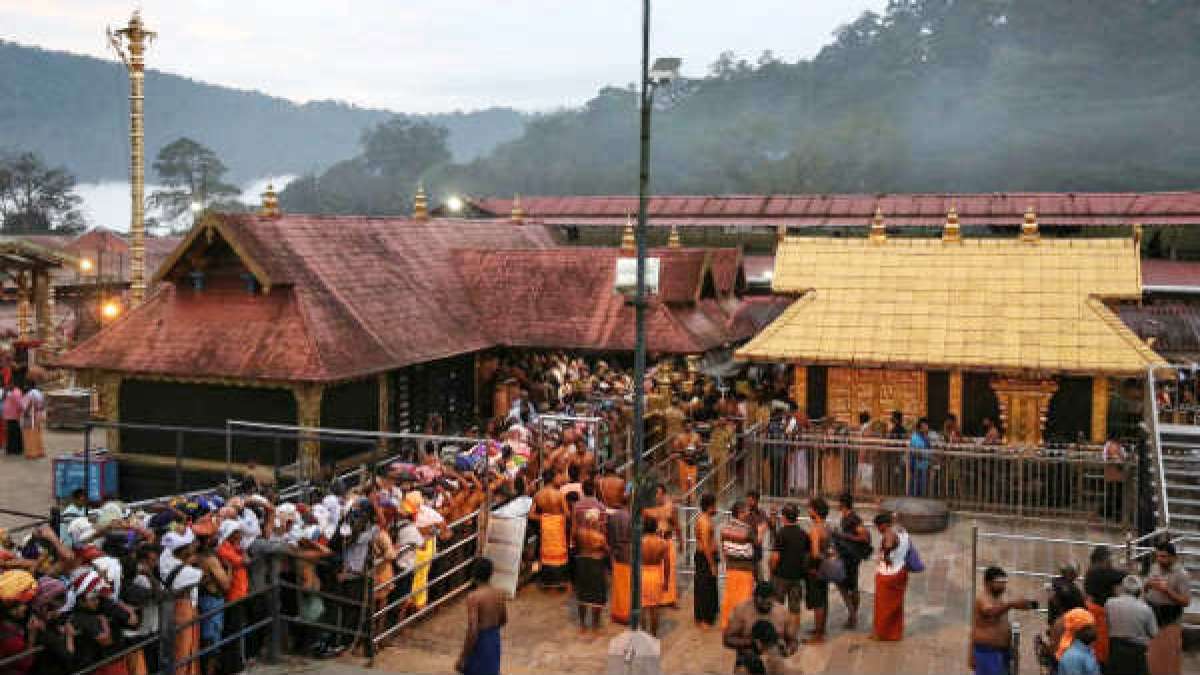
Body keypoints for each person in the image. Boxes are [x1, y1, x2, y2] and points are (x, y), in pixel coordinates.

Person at [972, 566, 1037, 675]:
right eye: (1000, 582)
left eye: (1004, 582)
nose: (1003, 586)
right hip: (988, 653)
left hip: (1001, 652)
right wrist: (1011, 604)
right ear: (988, 583)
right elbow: (990, 612)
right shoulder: (983, 598)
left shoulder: (997, 598)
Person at [723, 582, 797, 675]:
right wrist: (750, 642)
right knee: (741, 672)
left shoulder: (782, 612)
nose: (766, 602)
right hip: (749, 658)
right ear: (754, 597)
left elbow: (793, 640)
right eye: (762, 598)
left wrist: (788, 650)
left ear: (774, 598)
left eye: (769, 599)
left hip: (775, 658)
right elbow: (727, 639)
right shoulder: (741, 610)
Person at [1144, 541, 1190, 675]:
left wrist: (1167, 590)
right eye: (1158, 556)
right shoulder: (1154, 567)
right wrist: (1147, 585)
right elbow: (1145, 588)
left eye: (1163, 556)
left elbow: (1185, 601)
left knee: (1169, 658)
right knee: (1153, 657)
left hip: (1170, 619)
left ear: (1173, 557)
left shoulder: (1182, 575)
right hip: (1152, 615)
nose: (1159, 560)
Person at [455, 558, 506, 675]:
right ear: (491, 573)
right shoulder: (500, 594)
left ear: (474, 574)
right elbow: (503, 620)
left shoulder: (473, 597)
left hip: (479, 641)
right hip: (494, 639)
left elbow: (473, 630)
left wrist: (463, 656)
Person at [769, 503, 808, 642]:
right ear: (797, 517)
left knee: (777, 606)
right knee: (795, 608)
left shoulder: (781, 534)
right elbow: (806, 556)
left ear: (784, 517)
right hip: (797, 577)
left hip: (781, 576)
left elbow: (775, 557)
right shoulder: (803, 534)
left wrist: (771, 571)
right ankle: (792, 637)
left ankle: (777, 635)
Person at [831, 492, 871, 629]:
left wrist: (845, 536)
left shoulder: (853, 519)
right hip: (846, 556)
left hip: (851, 558)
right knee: (849, 585)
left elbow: (865, 537)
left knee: (847, 585)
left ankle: (853, 616)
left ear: (843, 504)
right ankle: (852, 615)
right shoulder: (846, 518)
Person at [1082, 545, 1124, 668]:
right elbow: (1122, 575)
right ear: (1103, 559)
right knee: (1101, 646)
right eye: (1109, 558)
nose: (1111, 560)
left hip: (1097, 610)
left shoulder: (1093, 570)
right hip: (1099, 613)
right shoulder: (1099, 571)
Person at [1105, 575, 1157, 675]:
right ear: (1139, 591)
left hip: (1115, 650)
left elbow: (1108, 623)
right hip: (1137, 653)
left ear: (1123, 588)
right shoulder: (1146, 609)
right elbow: (1153, 633)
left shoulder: (1109, 603)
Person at [871, 512, 910, 641]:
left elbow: (888, 545)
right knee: (896, 606)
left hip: (888, 575)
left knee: (883, 607)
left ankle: (881, 633)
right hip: (901, 571)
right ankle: (894, 633)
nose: (878, 530)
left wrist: (883, 555)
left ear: (884, 525)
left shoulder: (889, 534)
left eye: (879, 527)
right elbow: (895, 518)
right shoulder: (902, 530)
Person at [720, 501, 758, 630]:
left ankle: (727, 623)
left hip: (731, 568)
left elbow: (724, 548)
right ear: (740, 514)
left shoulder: (724, 528)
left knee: (730, 597)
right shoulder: (748, 530)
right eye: (746, 511)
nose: (748, 513)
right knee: (745, 599)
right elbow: (756, 543)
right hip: (745, 569)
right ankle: (742, 626)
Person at [530, 470, 570, 590]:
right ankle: (560, 581)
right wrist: (557, 518)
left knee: (546, 552)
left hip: (545, 526)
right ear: (552, 479)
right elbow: (567, 514)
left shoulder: (538, 495)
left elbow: (531, 515)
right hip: (557, 526)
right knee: (559, 552)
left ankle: (546, 581)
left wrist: (544, 518)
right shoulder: (559, 494)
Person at [572, 509, 608, 634]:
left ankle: (582, 624)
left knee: (583, 594)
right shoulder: (600, 537)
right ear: (596, 521)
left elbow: (575, 544)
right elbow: (606, 550)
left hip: (582, 563)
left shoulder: (579, 533)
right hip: (595, 564)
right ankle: (595, 625)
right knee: (597, 596)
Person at [803, 497, 830, 643]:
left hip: (816, 570)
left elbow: (815, 553)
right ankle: (821, 629)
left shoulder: (815, 529)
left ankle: (818, 636)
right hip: (825, 570)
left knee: (817, 601)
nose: (808, 511)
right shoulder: (826, 527)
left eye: (810, 508)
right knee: (823, 599)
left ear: (815, 511)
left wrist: (814, 566)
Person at [639, 515, 669, 636]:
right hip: (656, 575)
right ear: (656, 527)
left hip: (642, 575)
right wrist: (666, 581)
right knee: (655, 608)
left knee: (641, 607)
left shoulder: (639, 542)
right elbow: (667, 564)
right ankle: (653, 635)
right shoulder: (662, 543)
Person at [693, 493, 720, 628]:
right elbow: (705, 544)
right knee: (704, 588)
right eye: (715, 505)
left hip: (708, 557)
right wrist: (712, 565)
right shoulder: (703, 521)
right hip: (705, 558)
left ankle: (706, 616)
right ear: (710, 506)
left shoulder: (707, 518)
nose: (717, 508)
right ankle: (703, 619)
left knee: (708, 587)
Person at [606, 495, 633, 624]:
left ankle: (617, 612)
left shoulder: (613, 517)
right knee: (627, 585)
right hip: (627, 554)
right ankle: (626, 614)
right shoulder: (630, 518)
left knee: (618, 585)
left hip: (616, 553)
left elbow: (609, 536)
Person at [1056, 609, 1100, 675]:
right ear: (1076, 631)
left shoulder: (1086, 650)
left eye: (1093, 626)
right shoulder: (1073, 657)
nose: (1094, 630)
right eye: (1088, 628)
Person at [1047, 563, 1085, 628]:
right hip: (1067, 623)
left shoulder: (1056, 582)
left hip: (1055, 621)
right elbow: (1081, 606)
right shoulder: (1074, 590)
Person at [20, 378, 45, 460]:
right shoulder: (39, 393)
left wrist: (26, 413)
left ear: (29, 385)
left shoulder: (30, 394)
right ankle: (40, 451)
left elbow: (28, 404)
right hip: (38, 416)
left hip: (30, 417)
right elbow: (42, 406)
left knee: (29, 435)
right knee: (37, 434)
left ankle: (31, 453)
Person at [907, 418, 932, 497]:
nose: (927, 427)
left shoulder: (926, 437)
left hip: (924, 466)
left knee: (922, 487)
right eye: (925, 425)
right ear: (921, 427)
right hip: (917, 466)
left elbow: (928, 449)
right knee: (915, 487)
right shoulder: (915, 437)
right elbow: (916, 452)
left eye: (927, 425)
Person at [3, 383, 22, 456]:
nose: (7, 386)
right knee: (15, 433)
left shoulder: (12, 393)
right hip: (13, 416)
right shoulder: (15, 392)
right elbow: (19, 404)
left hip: (10, 415)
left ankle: (10, 449)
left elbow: (18, 404)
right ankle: (16, 449)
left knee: (11, 433)